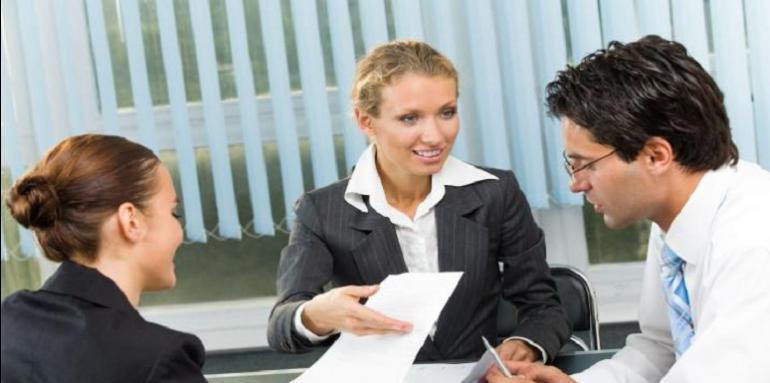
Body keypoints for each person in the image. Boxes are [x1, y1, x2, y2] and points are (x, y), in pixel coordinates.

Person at [486, 35, 770, 382]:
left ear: (656, 156)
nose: (576, 184)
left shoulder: (754, 238)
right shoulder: (677, 216)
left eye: (586, 164)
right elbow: (660, 349)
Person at [267, 40, 570, 363]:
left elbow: (544, 308)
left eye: (447, 113)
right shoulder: (323, 211)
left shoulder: (495, 193)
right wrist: (316, 314)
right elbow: (281, 327)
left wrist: (525, 344)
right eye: (410, 118)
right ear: (366, 121)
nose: (435, 136)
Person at [1, 134, 207, 383]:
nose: (179, 232)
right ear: (131, 220)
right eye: (174, 213)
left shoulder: (9, 321)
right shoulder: (156, 360)